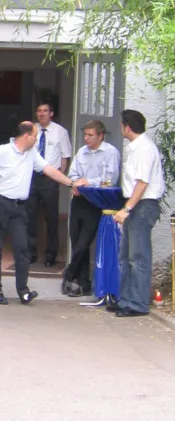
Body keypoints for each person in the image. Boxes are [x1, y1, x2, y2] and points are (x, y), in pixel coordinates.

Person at [0, 121, 78, 305]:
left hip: (19, 207)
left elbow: (49, 169)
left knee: (22, 249)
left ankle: (23, 290)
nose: (37, 139)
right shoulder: (3, 150)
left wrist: (71, 183)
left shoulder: (31, 154)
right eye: (35, 136)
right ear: (27, 136)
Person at [108, 110, 165, 317]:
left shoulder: (144, 149)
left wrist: (127, 209)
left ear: (127, 127)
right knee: (126, 256)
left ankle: (137, 304)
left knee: (137, 257)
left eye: (121, 125)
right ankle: (126, 300)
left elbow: (142, 184)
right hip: (136, 204)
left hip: (142, 205)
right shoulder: (137, 147)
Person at [63, 121, 121, 297]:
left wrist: (88, 183)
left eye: (90, 135)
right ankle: (83, 283)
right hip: (79, 199)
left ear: (100, 135)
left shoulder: (110, 152)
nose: (86, 138)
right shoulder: (82, 151)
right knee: (76, 241)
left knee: (84, 242)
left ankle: (68, 274)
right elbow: (73, 173)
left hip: (95, 201)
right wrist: (76, 183)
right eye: (85, 134)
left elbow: (111, 178)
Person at [26, 102, 72, 266]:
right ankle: (30, 252)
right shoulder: (31, 130)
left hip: (50, 179)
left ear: (51, 113)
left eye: (45, 111)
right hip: (32, 178)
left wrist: (59, 178)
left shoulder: (60, 132)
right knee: (30, 216)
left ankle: (51, 254)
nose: (42, 114)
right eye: (39, 111)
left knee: (51, 218)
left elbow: (65, 157)